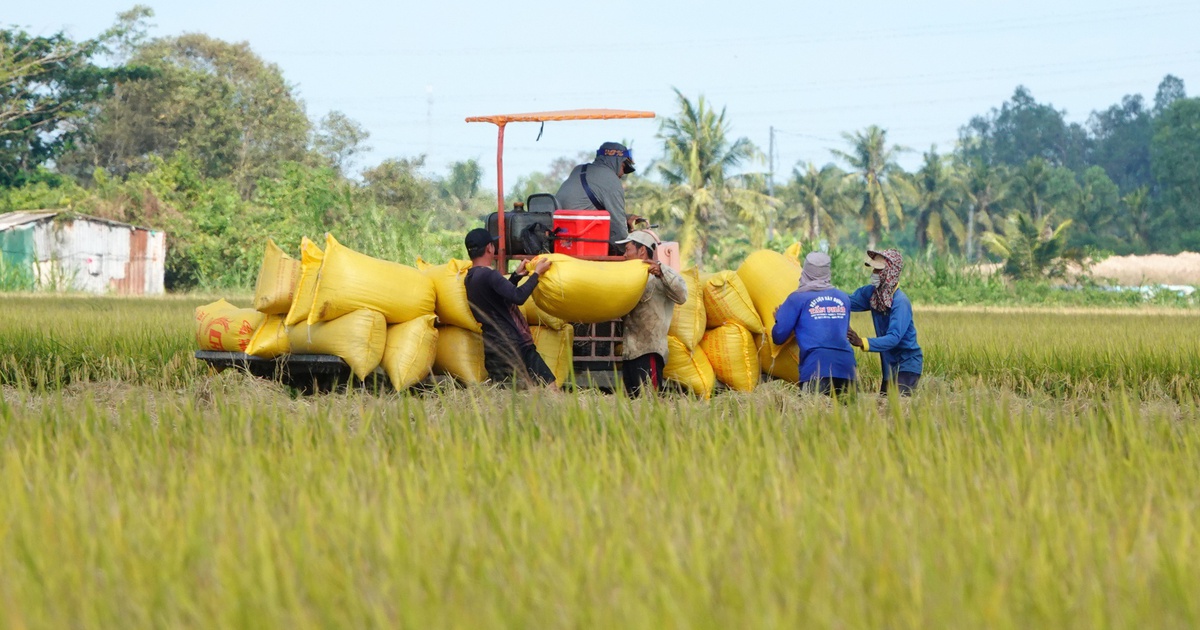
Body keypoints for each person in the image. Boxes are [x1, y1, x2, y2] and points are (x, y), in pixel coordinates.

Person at [461, 228, 557, 388]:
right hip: (515, 343)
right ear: (489, 248)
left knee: (505, 395)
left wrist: (516, 276)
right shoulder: (489, 274)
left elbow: (498, 297)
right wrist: (536, 274)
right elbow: (518, 297)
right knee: (550, 387)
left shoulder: (471, 278)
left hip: (494, 345)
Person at [770, 252, 857, 396]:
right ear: (827, 272)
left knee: (814, 410)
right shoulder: (843, 297)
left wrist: (779, 319)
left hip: (816, 368)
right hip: (847, 369)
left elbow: (778, 336)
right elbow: (843, 330)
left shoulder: (797, 298)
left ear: (805, 272)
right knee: (848, 411)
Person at [615, 230, 687, 396]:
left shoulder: (660, 276)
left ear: (641, 250)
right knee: (632, 404)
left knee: (649, 401)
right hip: (630, 352)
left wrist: (661, 271)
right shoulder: (629, 277)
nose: (624, 255)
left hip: (649, 351)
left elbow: (682, 295)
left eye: (627, 249)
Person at [846, 249, 924, 395]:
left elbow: (894, 338)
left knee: (898, 404)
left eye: (878, 270)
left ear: (890, 272)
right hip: (889, 365)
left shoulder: (900, 302)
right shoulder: (872, 294)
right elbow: (845, 301)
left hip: (907, 364)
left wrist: (861, 342)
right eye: (874, 269)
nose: (874, 273)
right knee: (884, 404)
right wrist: (824, 293)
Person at [555, 142, 642, 253]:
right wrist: (627, 252)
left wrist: (626, 218)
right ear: (616, 161)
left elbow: (584, 206)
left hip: (561, 238)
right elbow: (618, 228)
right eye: (623, 167)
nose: (622, 174)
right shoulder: (611, 180)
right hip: (582, 243)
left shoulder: (579, 169)